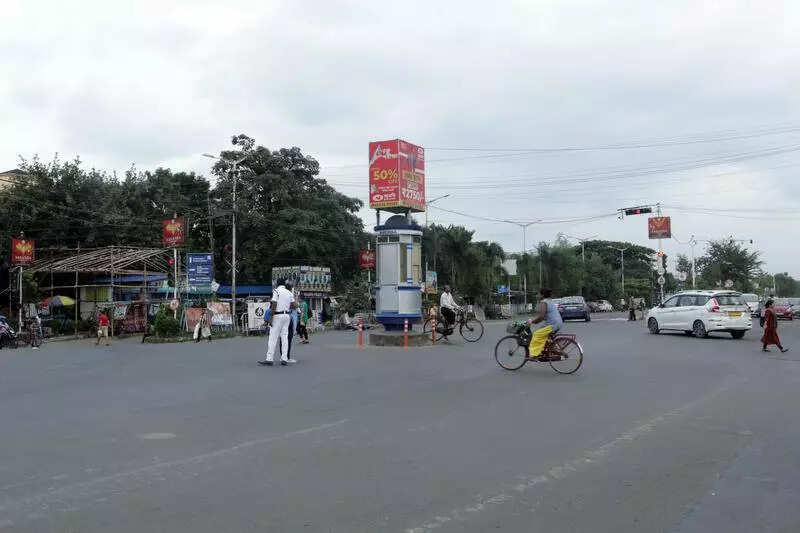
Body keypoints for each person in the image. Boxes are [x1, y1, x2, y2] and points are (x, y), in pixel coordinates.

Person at [259, 278, 296, 366]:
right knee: (284, 337)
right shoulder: (289, 293)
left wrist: (271, 317)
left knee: (273, 337)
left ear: (277, 284)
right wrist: (287, 307)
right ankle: (284, 359)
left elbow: (274, 304)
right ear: (284, 284)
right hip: (287, 316)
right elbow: (294, 305)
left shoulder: (276, 291)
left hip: (277, 316)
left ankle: (269, 359)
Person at [526, 288, 563, 360]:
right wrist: (535, 321)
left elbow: (541, 316)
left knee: (536, 335)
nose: (538, 296)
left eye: (539, 294)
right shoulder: (550, 301)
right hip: (558, 322)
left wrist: (532, 322)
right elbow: (545, 316)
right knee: (541, 330)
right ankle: (549, 349)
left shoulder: (544, 302)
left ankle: (535, 355)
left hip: (552, 324)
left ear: (542, 295)